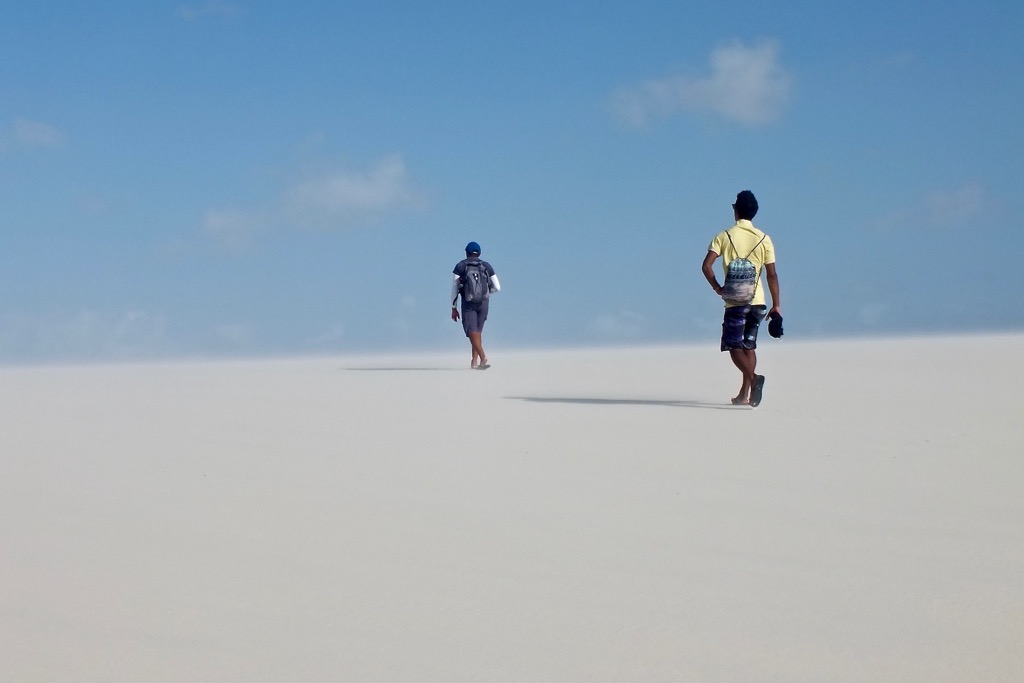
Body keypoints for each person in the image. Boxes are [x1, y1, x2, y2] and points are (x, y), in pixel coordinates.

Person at [701, 190, 781, 407]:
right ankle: (744, 395)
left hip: (736, 301)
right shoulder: (764, 239)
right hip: (759, 301)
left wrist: (718, 287)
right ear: (754, 213)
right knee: (749, 346)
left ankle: (754, 379)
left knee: (733, 344)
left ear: (735, 210)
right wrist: (777, 305)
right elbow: (772, 274)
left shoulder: (723, 236)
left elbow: (706, 266)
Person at [451, 241, 500, 369]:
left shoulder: (461, 266)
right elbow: (498, 287)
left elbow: (454, 288)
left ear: (466, 252)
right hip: (484, 302)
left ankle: (483, 357)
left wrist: (453, 308)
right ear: (479, 253)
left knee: (472, 331)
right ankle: (474, 362)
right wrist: (486, 293)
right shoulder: (486, 266)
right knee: (477, 332)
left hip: (468, 302)